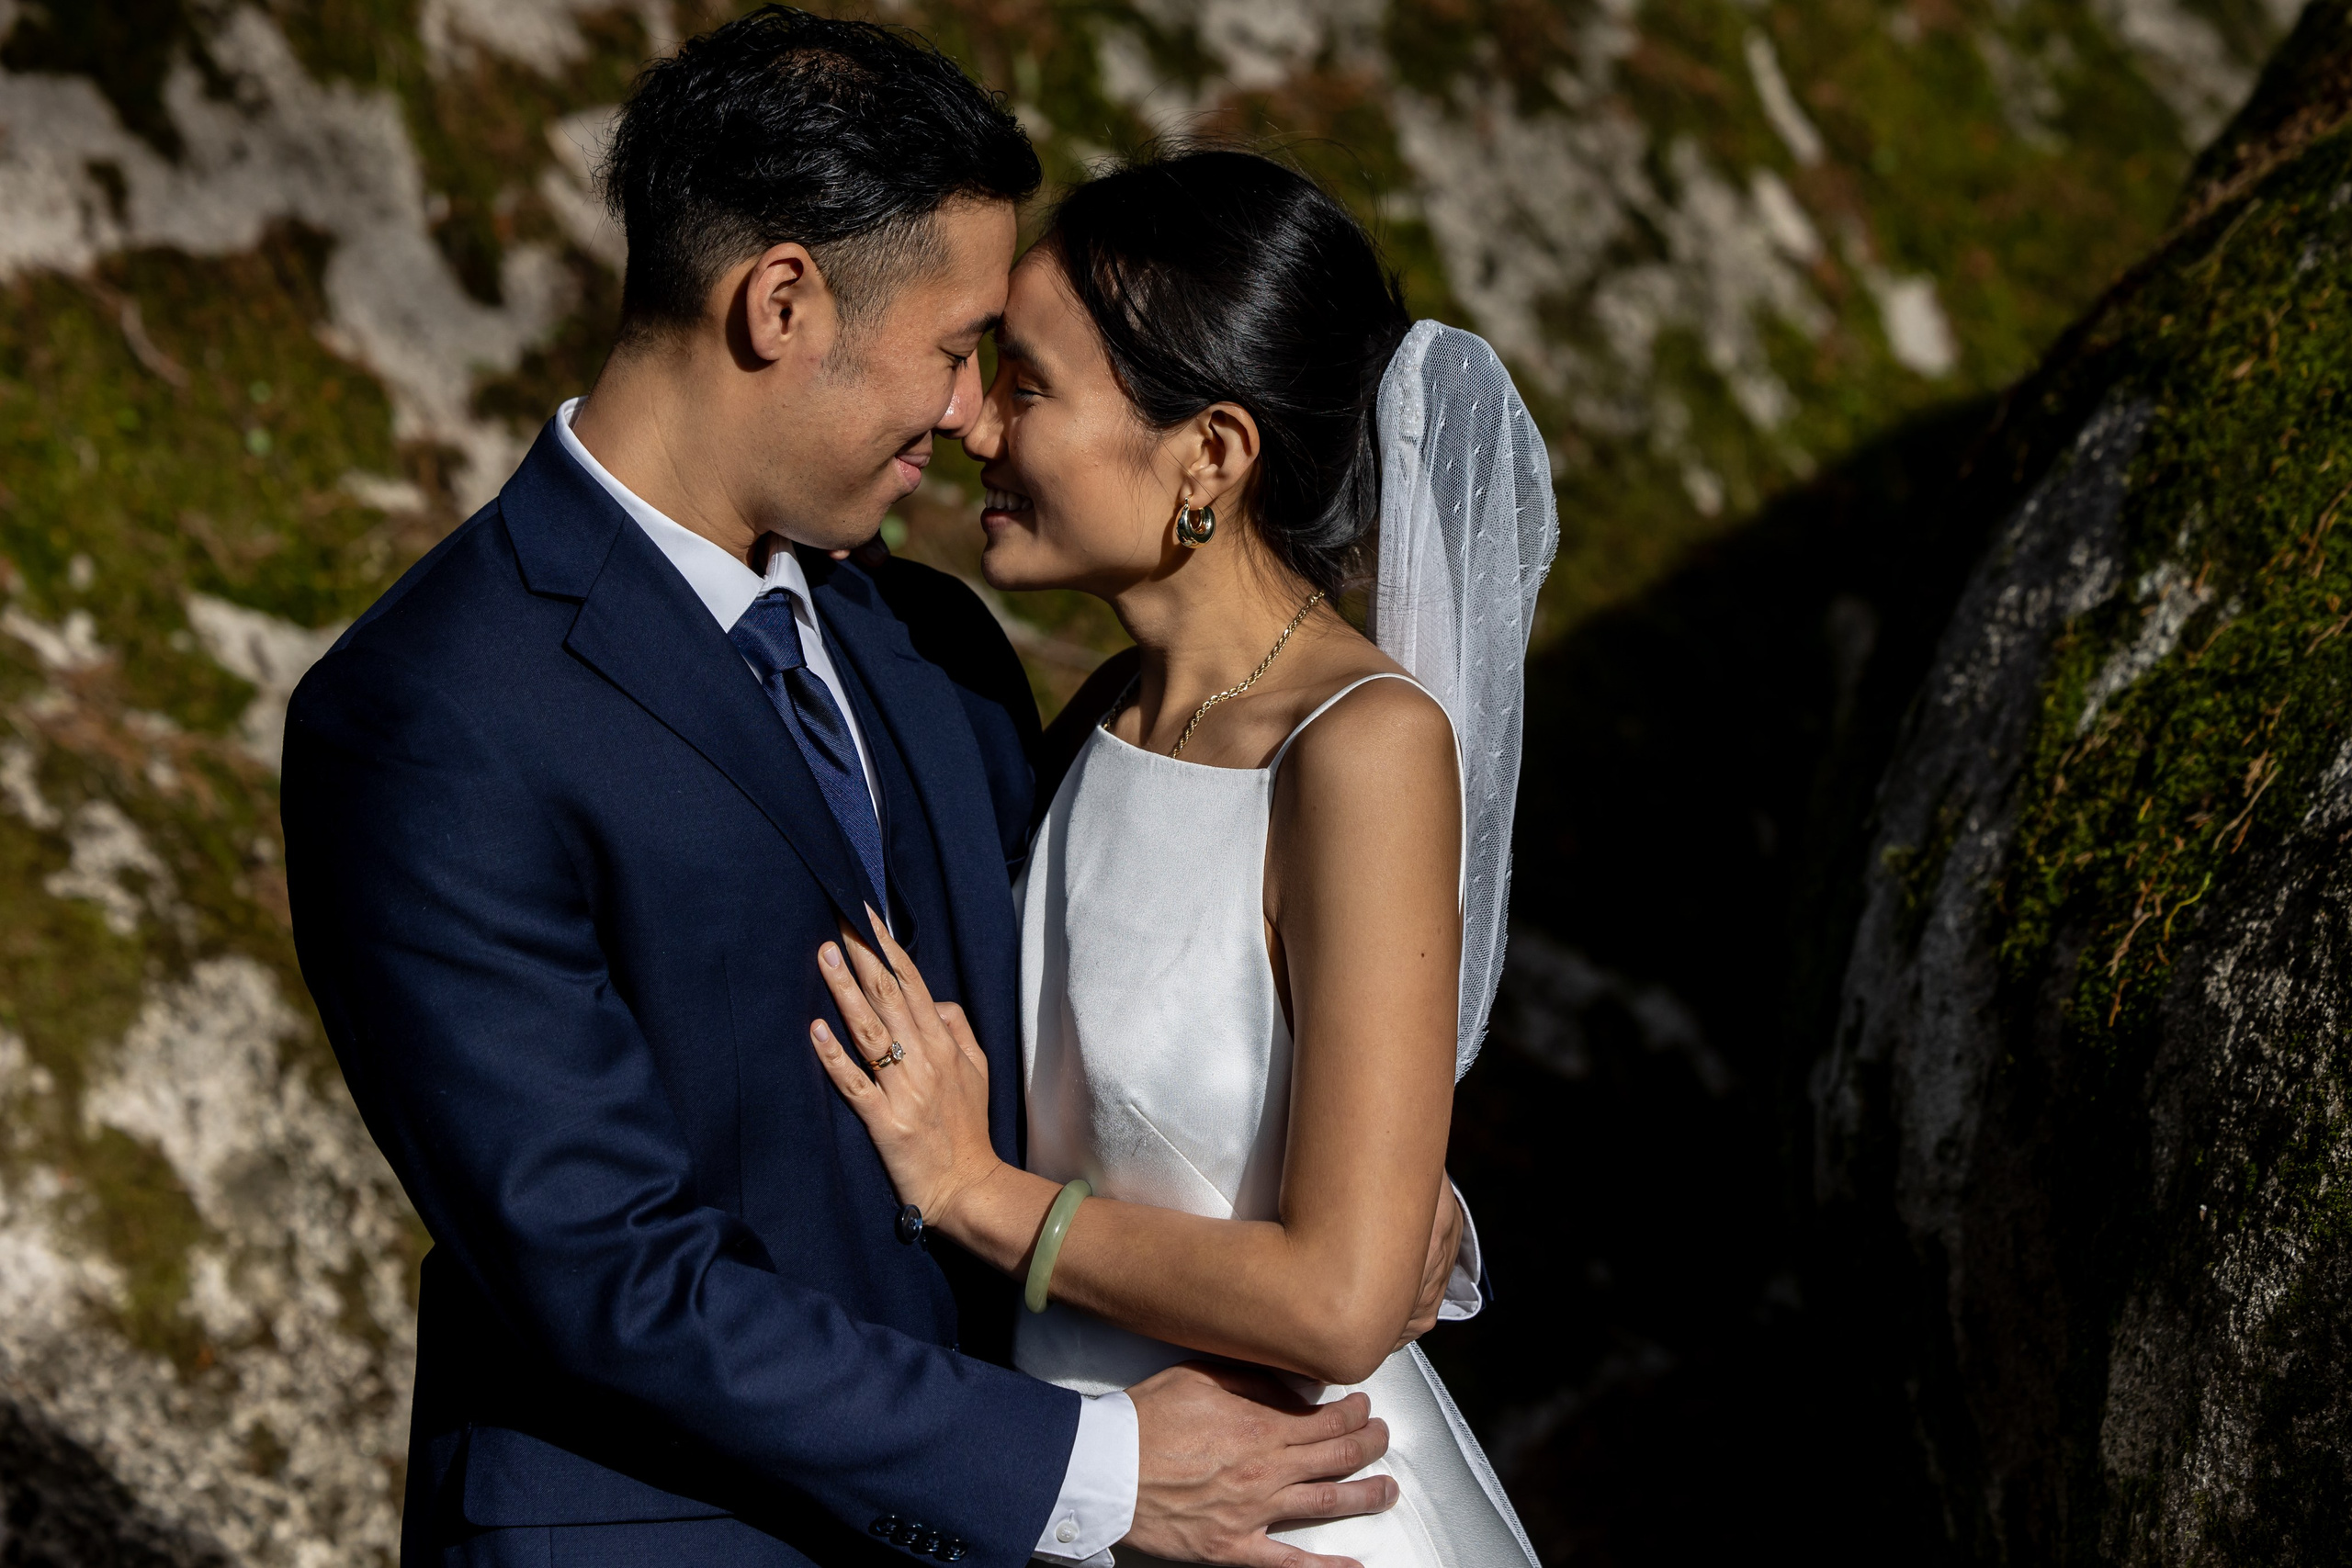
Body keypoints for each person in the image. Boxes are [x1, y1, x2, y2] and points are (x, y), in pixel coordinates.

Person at [281, 13, 1473, 1567]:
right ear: (782, 303)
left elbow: (1100, 1034)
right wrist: (1096, 1469)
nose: (968, 410)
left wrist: (1368, 1212)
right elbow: (612, 1279)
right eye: (953, 345)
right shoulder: (431, 713)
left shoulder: (930, 645)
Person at [807, 151, 1556, 1567]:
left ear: (1207, 454)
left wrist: (977, 1194)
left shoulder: (1361, 749)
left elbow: (1341, 1301)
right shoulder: (1099, 714)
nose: (974, 422)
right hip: (1082, 1501)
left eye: (1028, 384)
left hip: (1294, 1525)